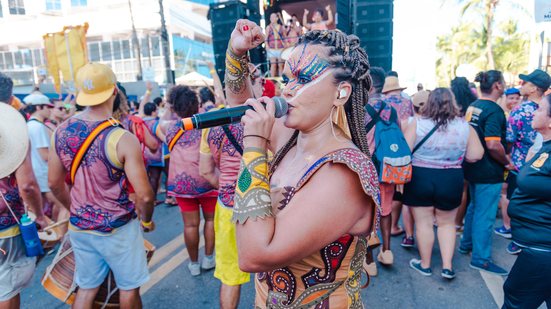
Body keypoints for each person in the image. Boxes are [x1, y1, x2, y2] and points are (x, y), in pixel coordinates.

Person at [226, 20, 378, 308]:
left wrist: (255, 144)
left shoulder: (343, 173)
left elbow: (254, 255)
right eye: (287, 79)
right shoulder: (293, 137)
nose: (287, 90)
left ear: (341, 92)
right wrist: (236, 55)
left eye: (303, 79)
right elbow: (246, 107)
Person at [48, 63, 155, 308]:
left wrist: (75, 208)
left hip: (80, 227)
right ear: (115, 91)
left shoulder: (60, 132)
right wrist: (147, 221)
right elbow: (146, 196)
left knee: (86, 288)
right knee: (128, 288)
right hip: (118, 228)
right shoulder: (122, 138)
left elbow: (54, 183)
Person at [403, 88, 483, 279]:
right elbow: (475, 155)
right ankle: (447, 267)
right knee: (447, 224)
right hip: (451, 177)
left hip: (420, 177)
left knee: (424, 223)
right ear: (453, 103)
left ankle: (425, 264)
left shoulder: (417, 124)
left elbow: (405, 152)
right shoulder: (465, 126)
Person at [161, 85, 218, 276]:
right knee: (210, 220)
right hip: (207, 179)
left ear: (174, 107)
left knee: (190, 225)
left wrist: (170, 108)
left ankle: (194, 264)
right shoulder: (207, 123)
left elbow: (161, 121)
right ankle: (209, 258)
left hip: (182, 183)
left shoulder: (170, 128)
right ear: (196, 103)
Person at [0, 80, 48, 309]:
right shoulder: (13, 130)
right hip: (5, 228)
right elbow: (27, 184)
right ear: (10, 100)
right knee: (8, 287)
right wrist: (39, 216)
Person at [460, 70, 511, 275]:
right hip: (489, 170)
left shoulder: (474, 106)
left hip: (472, 167)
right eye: (504, 82)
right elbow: (493, 144)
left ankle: (466, 244)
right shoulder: (494, 111)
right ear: (497, 85)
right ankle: (481, 259)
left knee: (474, 207)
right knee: (485, 214)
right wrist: (507, 162)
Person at [502, 94, 551, 308]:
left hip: (543, 248)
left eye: (539, 109)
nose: (533, 112)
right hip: (537, 245)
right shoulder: (544, 147)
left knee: (516, 298)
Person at [496, 69, 551, 255]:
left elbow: (509, 139)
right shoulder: (537, 108)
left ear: (534, 88)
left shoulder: (520, 110)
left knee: (515, 197)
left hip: (521, 166)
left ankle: (515, 234)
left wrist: (508, 158)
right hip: (541, 167)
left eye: (526, 82)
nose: (522, 85)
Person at [363, 66, 397, 276]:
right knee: (386, 209)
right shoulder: (390, 109)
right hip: (387, 167)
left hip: (366, 167)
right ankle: (387, 251)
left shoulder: (360, 108)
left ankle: (369, 261)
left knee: (366, 212)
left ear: (370, 85)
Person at [23, 92, 70, 234]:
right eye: (47, 107)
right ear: (38, 107)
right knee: (64, 207)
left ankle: (54, 236)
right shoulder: (37, 127)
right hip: (44, 174)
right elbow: (44, 155)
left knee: (55, 208)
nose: (50, 110)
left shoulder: (31, 125)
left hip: (38, 174)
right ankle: (60, 240)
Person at [142, 102, 165, 205]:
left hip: (145, 153)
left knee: (153, 177)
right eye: (156, 110)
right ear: (153, 112)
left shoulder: (141, 122)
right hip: (157, 154)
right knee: (167, 175)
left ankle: (153, 199)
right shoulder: (156, 123)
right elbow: (162, 138)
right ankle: (169, 197)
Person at [265, 12, 286, 77]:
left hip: (280, 48)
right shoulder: (268, 27)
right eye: (271, 17)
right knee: (273, 65)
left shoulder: (281, 27)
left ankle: (281, 81)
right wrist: (267, 46)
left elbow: (284, 37)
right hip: (272, 49)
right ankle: (272, 81)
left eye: (273, 17)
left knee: (280, 65)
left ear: (277, 18)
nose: (272, 18)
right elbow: (266, 38)